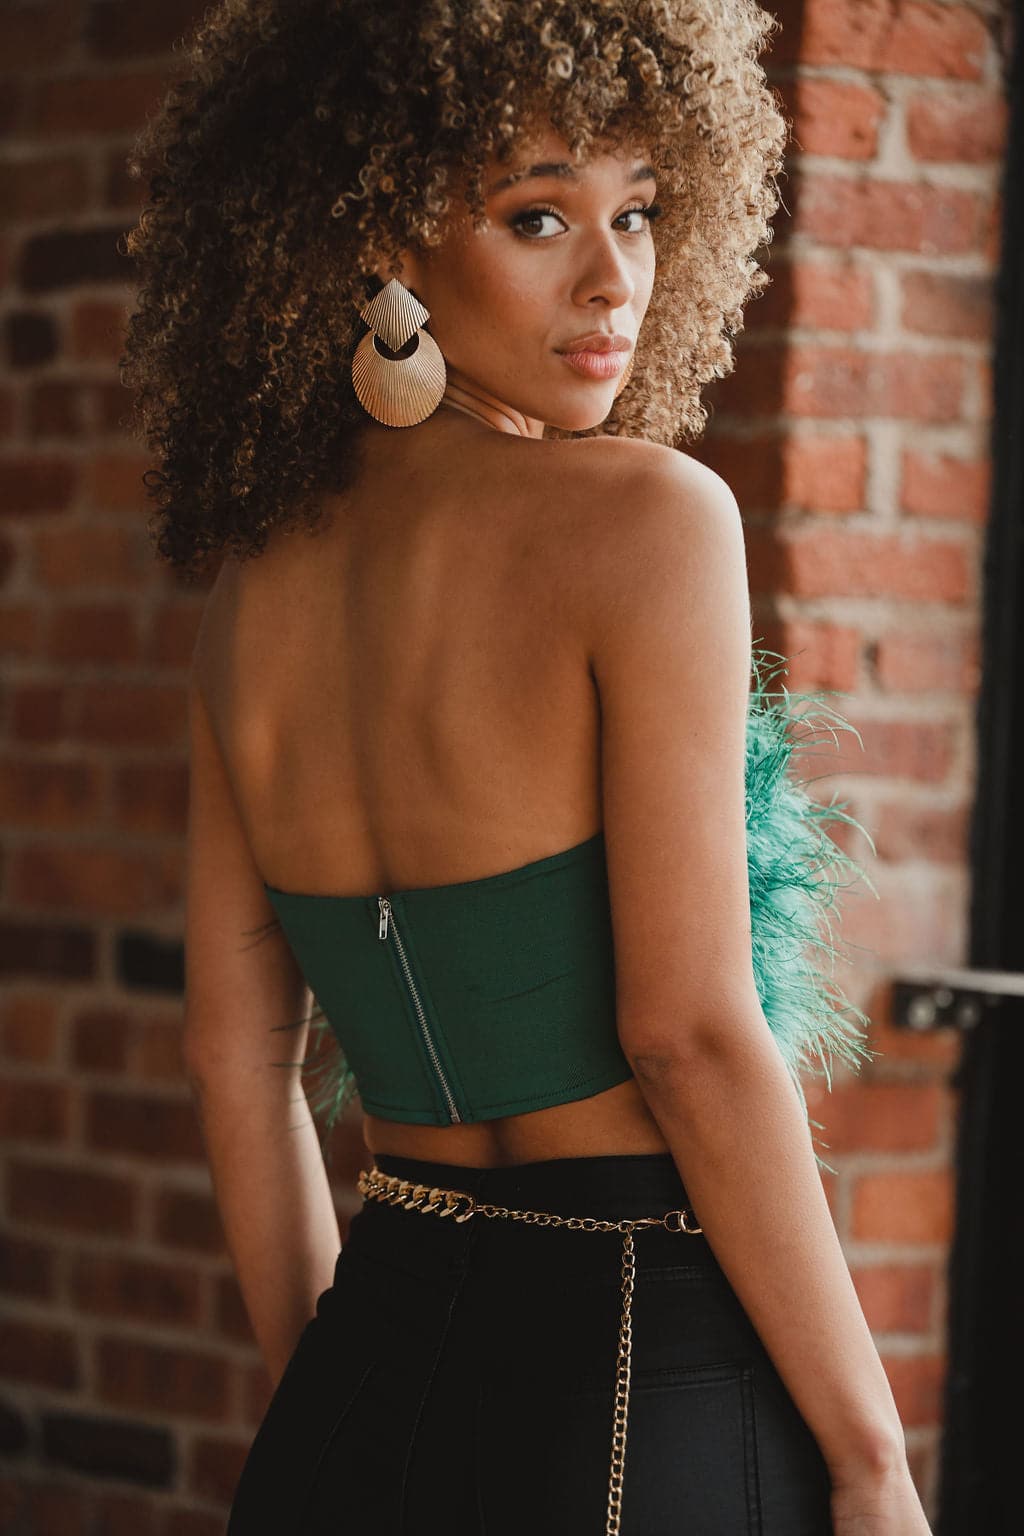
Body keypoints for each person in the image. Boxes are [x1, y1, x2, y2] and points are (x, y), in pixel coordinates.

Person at [121, 1, 935, 1531]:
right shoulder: (651, 521)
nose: (614, 275)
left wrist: (338, 1402)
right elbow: (687, 1035)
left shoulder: (249, 599)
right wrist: (871, 1458)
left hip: (361, 1374)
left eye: (641, 211)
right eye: (538, 216)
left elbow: (234, 1062)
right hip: (637, 1389)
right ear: (384, 237)